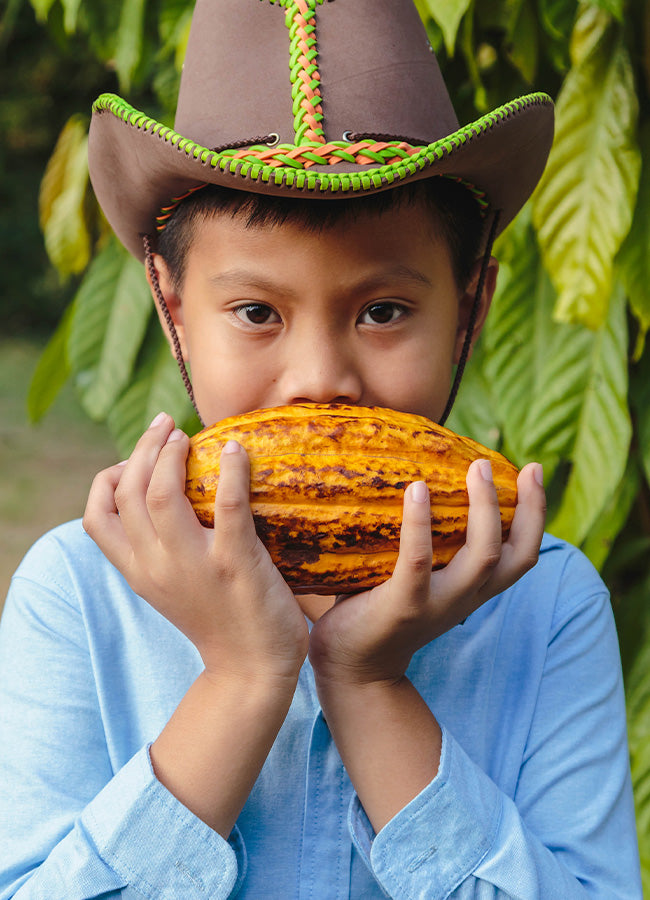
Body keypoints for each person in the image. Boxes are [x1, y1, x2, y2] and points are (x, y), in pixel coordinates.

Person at [0, 0, 641, 896]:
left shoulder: (547, 604)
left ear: (473, 308)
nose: (319, 377)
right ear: (173, 311)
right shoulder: (74, 594)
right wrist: (243, 676)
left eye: (383, 311)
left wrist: (369, 685)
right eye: (257, 312)